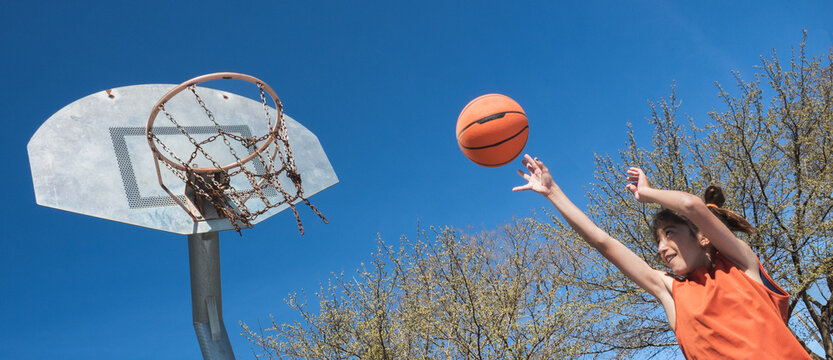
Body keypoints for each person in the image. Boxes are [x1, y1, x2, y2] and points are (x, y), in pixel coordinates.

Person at [513, 154, 811, 359]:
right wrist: (552, 193)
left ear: (704, 237)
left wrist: (648, 193)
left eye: (670, 233)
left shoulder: (743, 267)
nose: (661, 247)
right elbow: (603, 242)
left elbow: (692, 207)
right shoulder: (671, 292)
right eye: (658, 240)